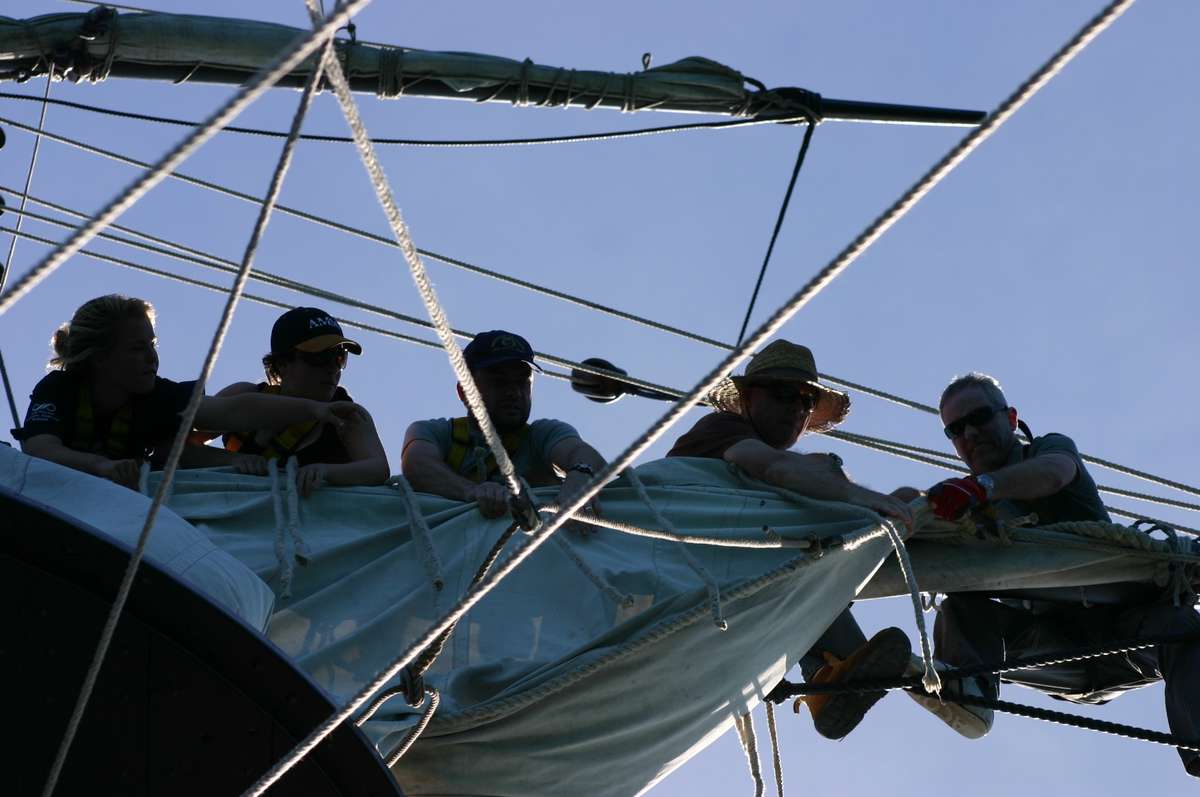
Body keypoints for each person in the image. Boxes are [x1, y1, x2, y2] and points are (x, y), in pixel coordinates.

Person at [923, 372, 1200, 775]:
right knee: (959, 605)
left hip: (1125, 635)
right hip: (1054, 650)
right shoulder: (965, 503)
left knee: (1183, 628)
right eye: (955, 429)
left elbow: (1054, 472)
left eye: (979, 417)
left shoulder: (1046, 452)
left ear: (1011, 419)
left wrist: (983, 488)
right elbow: (915, 511)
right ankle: (968, 694)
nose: (969, 433)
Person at [666, 339, 916, 740]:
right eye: (784, 394)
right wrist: (864, 500)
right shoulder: (723, 429)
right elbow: (774, 467)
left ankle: (827, 674)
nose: (797, 408)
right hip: (688, 570)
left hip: (733, 590)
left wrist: (899, 506)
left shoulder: (791, 476)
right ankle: (830, 672)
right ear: (748, 398)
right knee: (810, 550)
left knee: (812, 557)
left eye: (807, 400)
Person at [13, 295, 366, 491]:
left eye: (152, 345)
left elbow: (233, 412)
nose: (151, 357)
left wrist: (314, 411)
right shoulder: (59, 388)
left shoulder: (158, 396)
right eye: (137, 348)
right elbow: (40, 447)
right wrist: (101, 466)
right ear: (101, 357)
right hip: (55, 498)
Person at [401, 330, 606, 521]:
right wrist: (472, 491)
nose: (514, 392)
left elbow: (583, 454)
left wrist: (581, 475)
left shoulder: (543, 434)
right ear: (464, 392)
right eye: (499, 382)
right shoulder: (435, 433)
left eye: (522, 382)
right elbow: (416, 464)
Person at [199, 307, 389, 496]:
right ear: (282, 364)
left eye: (339, 357)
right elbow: (184, 442)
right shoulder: (243, 394)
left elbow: (377, 469)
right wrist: (232, 460)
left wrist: (325, 471)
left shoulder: (346, 415)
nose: (332, 368)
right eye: (320, 357)